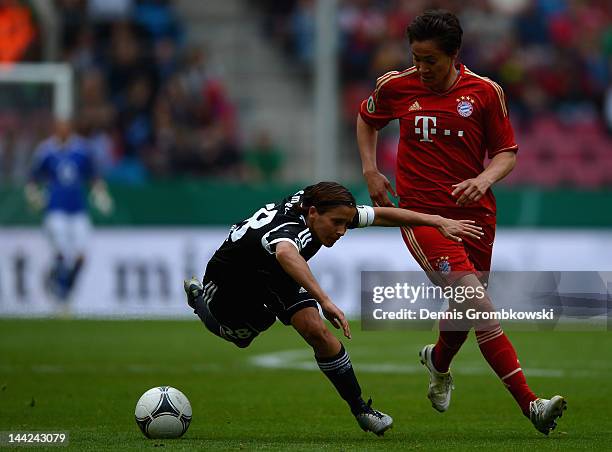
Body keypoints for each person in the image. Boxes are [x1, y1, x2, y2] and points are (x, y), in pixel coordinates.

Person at [356, 10, 566, 435]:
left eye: (430, 60)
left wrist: (484, 178)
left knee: (464, 308)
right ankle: (532, 405)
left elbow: (506, 152)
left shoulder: (485, 93)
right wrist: (370, 171)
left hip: (476, 217)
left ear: (455, 55)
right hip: (423, 217)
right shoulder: (398, 86)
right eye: (416, 57)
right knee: (478, 303)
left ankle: (438, 360)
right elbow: (367, 118)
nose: (422, 68)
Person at [184, 181, 482, 436]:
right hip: (232, 280)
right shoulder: (291, 228)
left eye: (346, 224)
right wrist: (325, 300)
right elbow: (287, 254)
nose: (342, 231)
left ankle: (362, 410)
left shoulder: (326, 208)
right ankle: (198, 298)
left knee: (317, 331)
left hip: (274, 275)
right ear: (312, 214)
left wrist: (436, 221)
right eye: (337, 224)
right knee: (242, 336)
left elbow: (381, 215)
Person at [25, 119, 113, 303]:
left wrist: (100, 193)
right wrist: (34, 195)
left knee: (82, 253)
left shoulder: (82, 150)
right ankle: (60, 288)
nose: (63, 132)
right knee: (62, 252)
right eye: (59, 128)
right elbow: (33, 177)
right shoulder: (46, 151)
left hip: (78, 209)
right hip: (55, 209)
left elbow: (94, 175)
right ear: (55, 130)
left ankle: (65, 285)